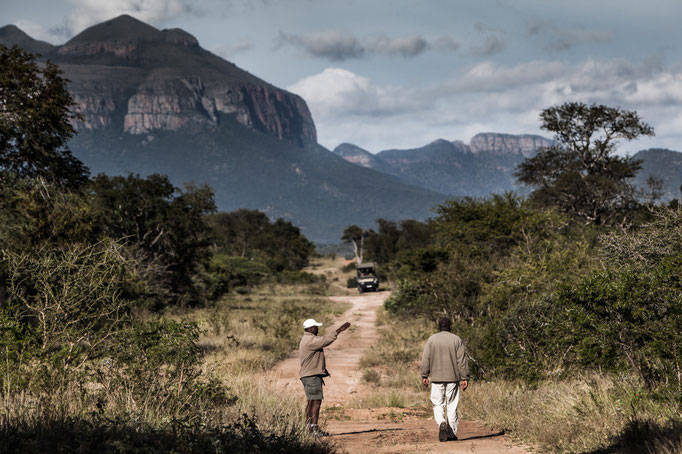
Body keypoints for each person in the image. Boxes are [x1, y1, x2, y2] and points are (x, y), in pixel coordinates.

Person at [420, 316, 470, 442]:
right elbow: (461, 360)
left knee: (438, 404)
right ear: (450, 326)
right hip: (453, 378)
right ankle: (451, 433)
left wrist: (424, 375)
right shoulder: (456, 339)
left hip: (436, 378)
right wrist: (465, 377)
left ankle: (441, 421)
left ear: (439, 326)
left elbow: (426, 358)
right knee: (452, 405)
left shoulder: (432, 339)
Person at [299, 318, 351, 435]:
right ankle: (314, 429)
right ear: (310, 328)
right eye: (316, 327)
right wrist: (339, 330)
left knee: (311, 402)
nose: (317, 329)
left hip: (308, 375)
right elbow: (325, 340)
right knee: (316, 402)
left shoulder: (307, 339)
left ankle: (308, 428)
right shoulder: (310, 340)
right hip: (311, 376)